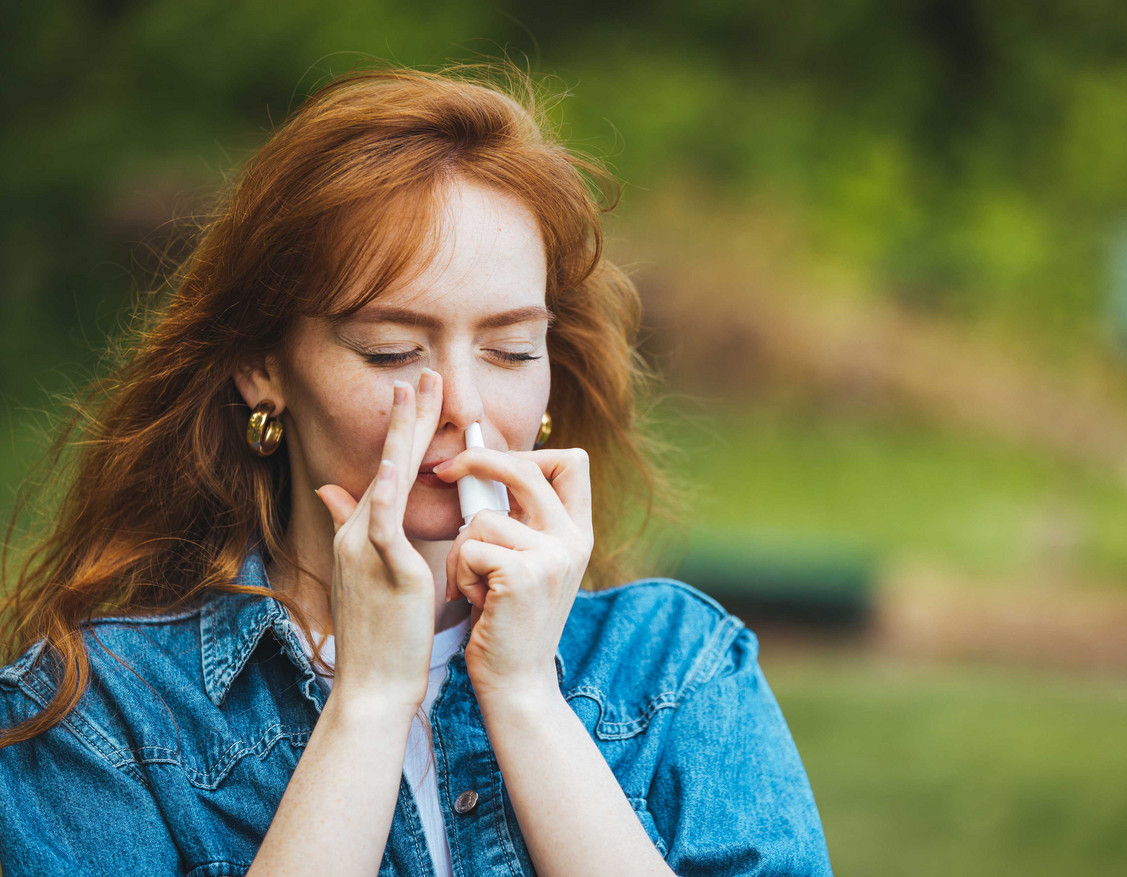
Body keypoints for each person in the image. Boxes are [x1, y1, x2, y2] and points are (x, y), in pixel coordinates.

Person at [0, 62, 833, 876]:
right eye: (391, 350)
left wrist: (527, 699)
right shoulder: (104, 711)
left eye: (510, 350)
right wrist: (366, 704)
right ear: (263, 368)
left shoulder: (676, 668)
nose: (461, 405)